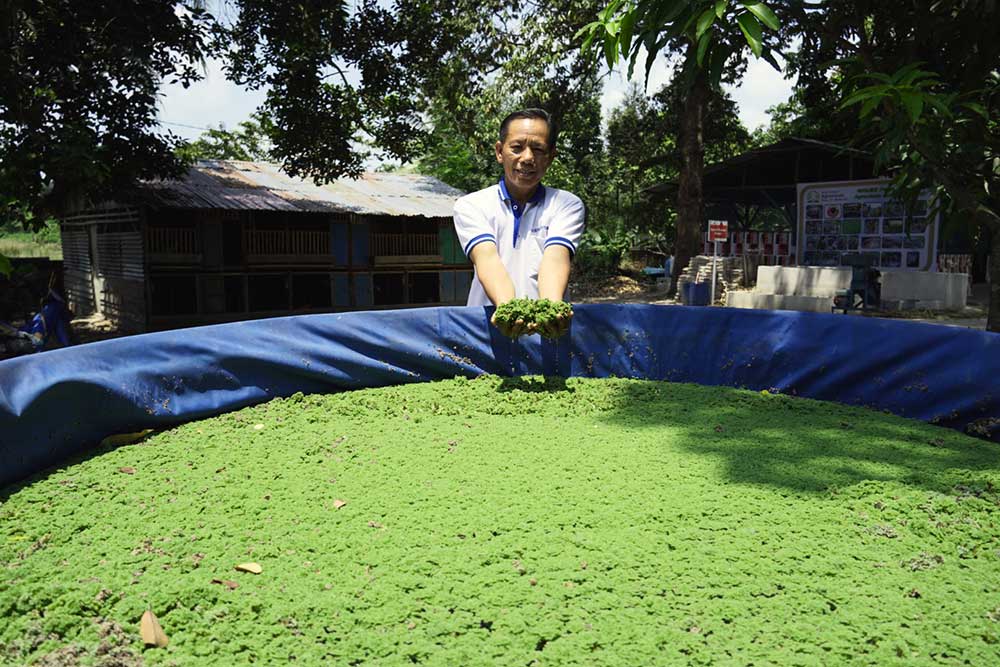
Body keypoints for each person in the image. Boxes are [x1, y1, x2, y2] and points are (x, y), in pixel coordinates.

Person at [453, 108, 585, 338]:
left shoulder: (566, 204)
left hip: (547, 335)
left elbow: (555, 258)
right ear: (499, 151)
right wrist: (508, 311)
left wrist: (551, 311)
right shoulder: (471, 205)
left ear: (551, 157)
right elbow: (487, 259)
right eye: (517, 147)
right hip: (486, 331)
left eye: (538, 149)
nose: (527, 158)